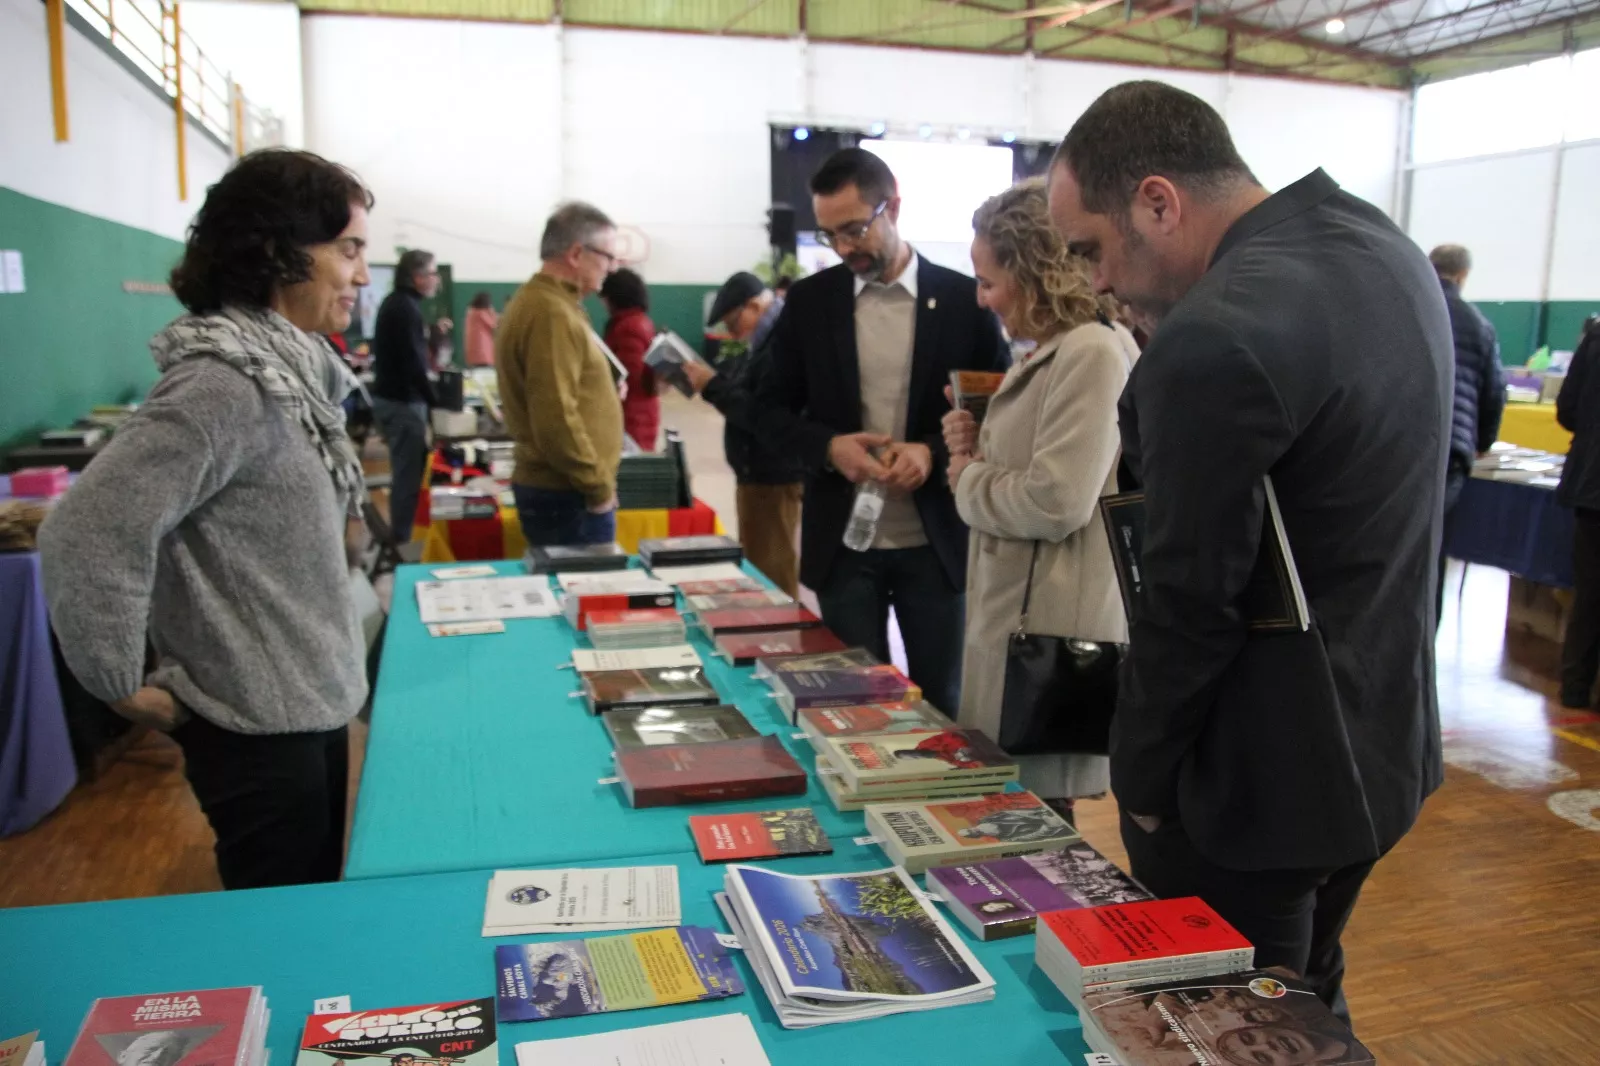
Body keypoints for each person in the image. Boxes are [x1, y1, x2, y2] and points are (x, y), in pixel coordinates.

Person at [1048, 81, 1451, 1021]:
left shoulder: (1214, 334)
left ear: (1158, 201)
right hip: (1378, 743)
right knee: (1301, 999)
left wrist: (1140, 783)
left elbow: (1187, 600)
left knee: (1236, 1028)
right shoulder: (1382, 247)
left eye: (1093, 250)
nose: (1097, 283)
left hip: (1257, 784)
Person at [39, 148, 372, 889]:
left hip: (306, 701)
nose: (362, 274)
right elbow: (88, 530)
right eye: (348, 249)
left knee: (311, 899)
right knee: (280, 924)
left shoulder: (289, 374)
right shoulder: (223, 386)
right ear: (281, 251)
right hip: (254, 723)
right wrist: (119, 683)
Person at [689, 148, 1008, 713]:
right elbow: (766, 412)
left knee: (944, 704)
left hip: (936, 546)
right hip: (843, 547)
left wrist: (933, 453)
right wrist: (829, 448)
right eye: (830, 235)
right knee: (854, 707)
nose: (843, 248)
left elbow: (1001, 411)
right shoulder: (811, 305)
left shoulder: (966, 302)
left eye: (855, 230)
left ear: (895, 207)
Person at [940, 178, 1138, 823]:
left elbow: (1057, 501)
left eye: (989, 279)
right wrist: (977, 447)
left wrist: (967, 477)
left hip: (1047, 641)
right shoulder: (1059, 349)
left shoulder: (1092, 351)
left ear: (1030, 271)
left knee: (1040, 820)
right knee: (1024, 812)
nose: (981, 297)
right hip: (1022, 622)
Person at [497, 201, 624, 546]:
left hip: (563, 491)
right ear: (576, 253)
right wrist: (597, 485)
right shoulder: (551, 313)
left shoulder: (550, 303)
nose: (612, 268)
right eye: (607, 256)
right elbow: (555, 416)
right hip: (567, 494)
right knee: (585, 597)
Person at [685, 271, 806, 596]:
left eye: (733, 323)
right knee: (760, 565)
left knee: (771, 572)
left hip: (773, 474)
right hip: (761, 473)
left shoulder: (782, 342)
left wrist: (712, 386)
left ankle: (779, 640)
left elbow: (759, 412)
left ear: (754, 306)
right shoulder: (767, 340)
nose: (733, 334)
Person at [1430, 243, 1505, 630]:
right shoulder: (1479, 324)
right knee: (1432, 548)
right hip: (1452, 452)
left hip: (1404, 442)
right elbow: (1495, 393)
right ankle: (1427, 638)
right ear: (1462, 276)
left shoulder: (1409, 307)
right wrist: (1481, 443)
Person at [370, 248, 440, 543]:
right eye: (433, 273)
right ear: (417, 276)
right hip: (402, 403)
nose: (437, 280)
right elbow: (414, 364)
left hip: (393, 399)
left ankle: (406, 535)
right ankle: (403, 542)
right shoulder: (406, 308)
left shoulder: (397, 303)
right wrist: (437, 402)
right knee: (409, 475)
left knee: (409, 471)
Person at [1556, 315, 1600, 707]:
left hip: (1592, 484)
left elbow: (1567, 409)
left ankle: (1574, 687)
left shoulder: (1595, 335)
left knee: (1588, 592)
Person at [598, 267, 660, 451]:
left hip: (632, 417)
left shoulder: (628, 327)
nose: (603, 303)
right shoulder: (640, 321)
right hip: (641, 413)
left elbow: (629, 378)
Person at [464, 290, 499, 368]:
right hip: (483, 353)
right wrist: (492, 312)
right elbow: (495, 326)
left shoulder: (471, 312)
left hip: (472, 353)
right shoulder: (482, 313)